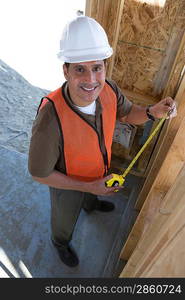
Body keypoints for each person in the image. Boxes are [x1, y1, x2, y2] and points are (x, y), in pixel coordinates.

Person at [28, 16, 177, 268]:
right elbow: (39, 174)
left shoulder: (108, 89)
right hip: (67, 186)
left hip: (98, 172)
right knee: (64, 220)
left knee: (93, 194)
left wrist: (152, 111)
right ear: (65, 70)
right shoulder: (50, 119)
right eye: (79, 69)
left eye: (97, 67)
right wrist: (87, 187)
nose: (91, 80)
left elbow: (129, 113)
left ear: (104, 67)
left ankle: (92, 203)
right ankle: (60, 242)